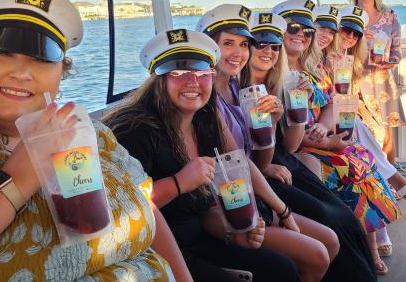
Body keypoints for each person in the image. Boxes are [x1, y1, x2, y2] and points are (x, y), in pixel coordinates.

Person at [0, 0, 188, 281]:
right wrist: (17, 177)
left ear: (61, 74)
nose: (22, 72)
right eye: (2, 52)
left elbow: (145, 203)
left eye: (43, 59)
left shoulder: (93, 134)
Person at [105, 28, 338, 282]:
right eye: (179, 73)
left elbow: (231, 173)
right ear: (160, 79)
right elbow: (124, 207)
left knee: (293, 260)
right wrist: (179, 183)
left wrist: (240, 229)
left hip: (204, 228)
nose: (193, 82)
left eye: (202, 73)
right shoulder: (136, 131)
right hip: (159, 248)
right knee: (282, 270)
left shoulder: (204, 120)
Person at [195, 4, 340, 281]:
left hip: (250, 188)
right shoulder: (208, 99)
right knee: (319, 252)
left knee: (331, 240)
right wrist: (284, 211)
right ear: (209, 48)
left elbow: (260, 161)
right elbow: (239, 158)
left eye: (243, 44)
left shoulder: (239, 89)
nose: (238, 53)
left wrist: (272, 122)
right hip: (225, 203)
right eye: (227, 44)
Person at [242, 9, 378, 282]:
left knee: (343, 217)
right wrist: (268, 167)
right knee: (326, 217)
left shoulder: (278, 82)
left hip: (280, 159)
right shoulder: (236, 88)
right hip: (260, 171)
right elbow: (246, 155)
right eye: (258, 44)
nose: (267, 51)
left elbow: (290, 146)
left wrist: (297, 104)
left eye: (273, 45)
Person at [276, 0, 401, 275]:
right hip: (304, 148)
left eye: (307, 30)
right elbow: (288, 138)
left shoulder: (313, 67)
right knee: (352, 170)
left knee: (362, 162)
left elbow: (333, 100)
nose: (304, 35)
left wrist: (324, 125)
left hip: (320, 137)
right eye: (293, 29)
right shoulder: (278, 75)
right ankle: (358, 251)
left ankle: (368, 248)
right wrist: (328, 140)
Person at [317, 4, 406, 257]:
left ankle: (380, 232)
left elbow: (344, 98)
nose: (348, 38)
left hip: (338, 120)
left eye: (355, 34)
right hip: (320, 127)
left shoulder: (347, 60)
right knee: (361, 140)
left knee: (364, 147)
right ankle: (393, 177)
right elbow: (329, 102)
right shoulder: (318, 60)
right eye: (343, 31)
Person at [346, 0, 406, 169]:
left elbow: (397, 52)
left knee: (386, 135)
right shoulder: (346, 17)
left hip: (380, 82)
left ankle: (393, 184)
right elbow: (336, 48)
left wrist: (387, 62)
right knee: (356, 134)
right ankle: (367, 181)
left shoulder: (390, 15)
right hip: (352, 82)